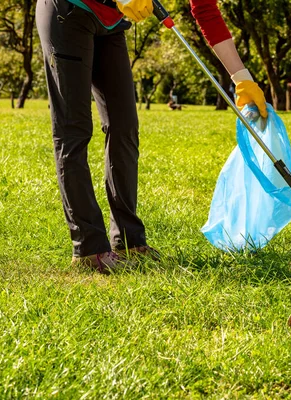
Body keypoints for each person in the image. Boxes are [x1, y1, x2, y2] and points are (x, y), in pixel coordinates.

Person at [36, 0, 267, 273]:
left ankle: (128, 241)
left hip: (111, 23)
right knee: (73, 130)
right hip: (69, 11)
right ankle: (88, 249)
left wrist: (242, 78)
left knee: (124, 128)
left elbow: (205, 9)